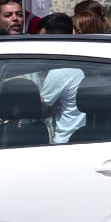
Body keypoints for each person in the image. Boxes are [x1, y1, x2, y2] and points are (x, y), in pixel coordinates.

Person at [35, 12, 85, 143]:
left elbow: (40, 110)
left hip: (64, 141)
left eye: (42, 40)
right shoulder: (82, 63)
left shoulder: (59, 71)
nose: (39, 45)